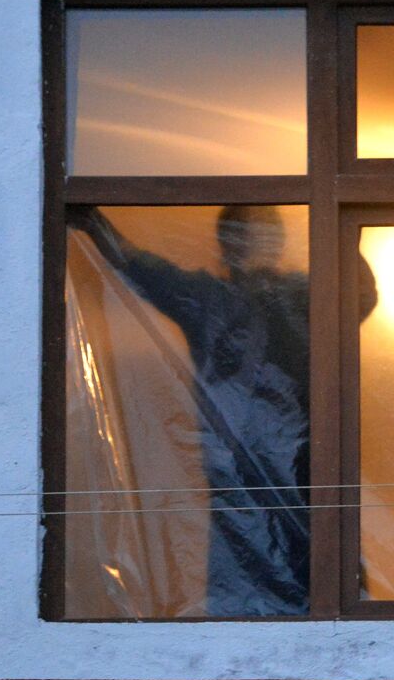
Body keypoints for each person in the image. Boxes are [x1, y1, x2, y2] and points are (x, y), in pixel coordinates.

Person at [69, 205, 377, 616]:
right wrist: (92, 222)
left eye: (264, 235)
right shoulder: (212, 300)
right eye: (245, 236)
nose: (255, 246)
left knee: (322, 589)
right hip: (242, 476)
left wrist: (344, 220)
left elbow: (358, 295)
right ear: (227, 245)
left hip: (309, 470)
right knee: (249, 591)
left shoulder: (305, 297)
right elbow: (146, 272)